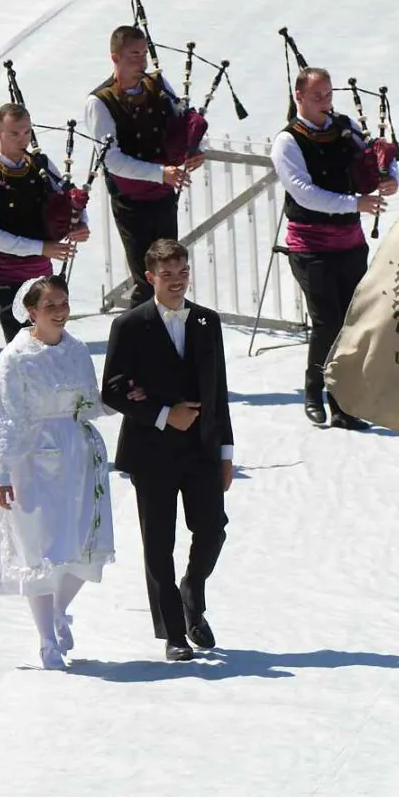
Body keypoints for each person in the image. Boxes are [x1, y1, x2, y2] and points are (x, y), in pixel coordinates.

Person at [100, 238, 234, 661]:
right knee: (158, 542)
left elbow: (219, 391)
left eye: (182, 273)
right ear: (150, 277)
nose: (177, 282)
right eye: (167, 275)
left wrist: (226, 452)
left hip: (201, 450)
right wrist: (162, 414)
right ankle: (174, 633)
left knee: (212, 529)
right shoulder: (130, 325)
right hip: (152, 450)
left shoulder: (206, 322)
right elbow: (113, 390)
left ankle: (193, 588)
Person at [0, 275, 115, 669]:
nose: (59, 312)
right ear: (32, 312)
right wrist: (1, 472)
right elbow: (3, 417)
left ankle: (58, 610)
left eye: (64, 303)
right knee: (37, 547)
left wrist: (117, 402)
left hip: (76, 454)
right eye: (50, 305)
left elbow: (88, 404)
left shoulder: (77, 350)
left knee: (83, 542)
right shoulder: (16, 358)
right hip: (31, 457)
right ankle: (45, 639)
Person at [269, 66, 398, 429]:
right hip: (311, 244)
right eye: (317, 97)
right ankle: (314, 390)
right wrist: (354, 203)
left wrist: (389, 178)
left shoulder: (345, 127)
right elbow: (304, 193)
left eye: (328, 95)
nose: (325, 103)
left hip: (350, 242)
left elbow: (376, 157)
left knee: (351, 321)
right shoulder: (288, 141)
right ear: (299, 97)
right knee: (327, 321)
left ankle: (343, 402)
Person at [82, 25, 205, 309]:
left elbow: (183, 119)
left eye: (143, 54)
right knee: (147, 277)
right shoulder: (100, 102)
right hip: (131, 201)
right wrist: (160, 173)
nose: (141, 61)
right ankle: (141, 335)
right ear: (115, 58)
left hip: (163, 195)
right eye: (133, 55)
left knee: (170, 271)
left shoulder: (157, 85)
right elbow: (110, 158)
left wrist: (194, 149)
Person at [0, 103, 88, 342]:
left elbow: (68, 195)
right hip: (7, 276)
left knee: (48, 339)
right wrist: (42, 248)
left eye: (27, 132)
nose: (22, 139)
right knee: (20, 345)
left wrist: (80, 223)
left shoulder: (39, 163)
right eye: (14, 133)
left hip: (42, 273)